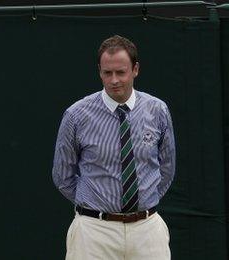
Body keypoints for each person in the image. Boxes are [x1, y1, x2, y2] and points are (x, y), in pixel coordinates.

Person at [52, 35, 176, 260]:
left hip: (147, 229)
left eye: (121, 72)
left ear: (135, 69)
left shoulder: (157, 110)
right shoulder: (76, 115)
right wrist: (94, 202)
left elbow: (166, 168)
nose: (114, 80)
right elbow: (62, 176)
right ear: (99, 71)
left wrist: (143, 202)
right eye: (107, 73)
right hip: (94, 232)